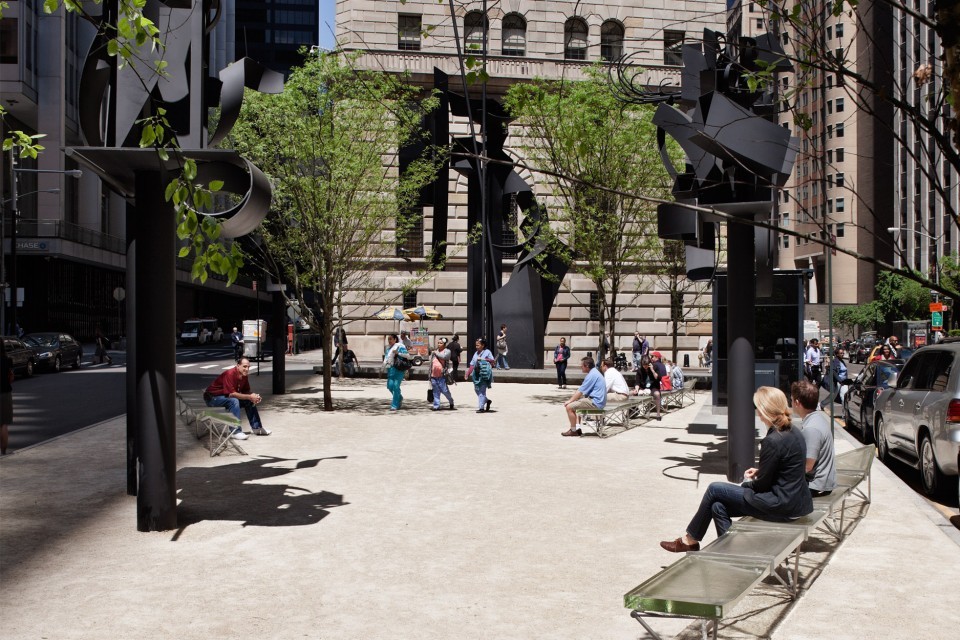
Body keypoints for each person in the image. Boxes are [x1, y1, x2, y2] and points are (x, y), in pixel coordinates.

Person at [660, 386, 814, 552]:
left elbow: (762, 486)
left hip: (781, 506)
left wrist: (745, 485)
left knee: (714, 489)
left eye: (757, 408)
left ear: (764, 410)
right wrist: (761, 471)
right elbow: (787, 468)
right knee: (717, 506)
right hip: (797, 503)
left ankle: (690, 540)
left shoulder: (773, 440)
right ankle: (730, 551)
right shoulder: (793, 431)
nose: (757, 413)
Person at [204, 358, 271, 440]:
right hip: (212, 398)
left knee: (249, 401)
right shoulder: (229, 374)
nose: (247, 369)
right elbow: (232, 394)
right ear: (238, 366)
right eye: (244, 366)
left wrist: (254, 396)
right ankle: (235, 432)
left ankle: (257, 428)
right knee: (234, 401)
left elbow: (246, 391)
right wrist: (249, 396)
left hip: (225, 397)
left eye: (248, 367)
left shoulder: (244, 375)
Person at [792, 381, 837, 497]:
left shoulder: (811, 428)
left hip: (815, 486)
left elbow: (807, 467)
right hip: (820, 483)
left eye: (791, 400)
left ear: (797, 403)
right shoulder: (817, 418)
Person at [562, 356, 607, 436]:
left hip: (595, 403)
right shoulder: (595, 372)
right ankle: (578, 428)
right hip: (599, 402)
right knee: (577, 404)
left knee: (569, 407)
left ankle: (573, 430)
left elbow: (580, 391)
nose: (581, 368)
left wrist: (569, 401)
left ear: (586, 366)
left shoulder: (591, 375)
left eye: (581, 366)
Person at [633, 353, 665, 420]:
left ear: (649, 363)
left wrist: (652, 370)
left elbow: (658, 378)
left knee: (657, 394)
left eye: (647, 365)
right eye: (644, 365)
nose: (645, 367)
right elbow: (637, 382)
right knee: (632, 393)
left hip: (653, 386)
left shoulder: (655, 367)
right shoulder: (640, 370)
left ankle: (658, 414)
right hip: (643, 387)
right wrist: (636, 389)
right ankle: (632, 412)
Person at [467, 338, 495, 412]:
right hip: (476, 375)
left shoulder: (487, 352)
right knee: (476, 390)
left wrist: (484, 359)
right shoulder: (475, 353)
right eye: (476, 345)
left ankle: (481, 408)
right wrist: (467, 373)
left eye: (478, 345)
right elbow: (472, 365)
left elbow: (492, 360)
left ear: (483, 345)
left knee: (482, 391)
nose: (476, 346)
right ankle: (487, 400)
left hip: (484, 374)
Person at [383, 334, 408, 411]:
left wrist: (398, 353)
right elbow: (386, 360)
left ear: (395, 339)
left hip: (399, 370)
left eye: (391, 339)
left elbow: (407, 356)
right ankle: (399, 397)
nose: (389, 341)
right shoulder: (388, 349)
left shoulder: (400, 347)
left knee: (396, 386)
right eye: (388, 339)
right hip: (390, 370)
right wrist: (382, 369)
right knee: (390, 386)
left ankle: (394, 405)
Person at [429, 337, 455, 411]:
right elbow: (431, 363)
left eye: (441, 343)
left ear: (444, 344)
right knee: (436, 391)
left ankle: (451, 401)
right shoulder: (435, 352)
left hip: (442, 375)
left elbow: (444, 357)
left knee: (444, 390)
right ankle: (436, 406)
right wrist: (429, 374)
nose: (439, 344)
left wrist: (436, 353)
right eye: (438, 343)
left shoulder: (447, 351)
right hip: (434, 375)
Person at [1, 340, 12, 455]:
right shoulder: (7, 360)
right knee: (3, 423)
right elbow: (11, 377)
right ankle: (3, 450)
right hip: (5, 392)